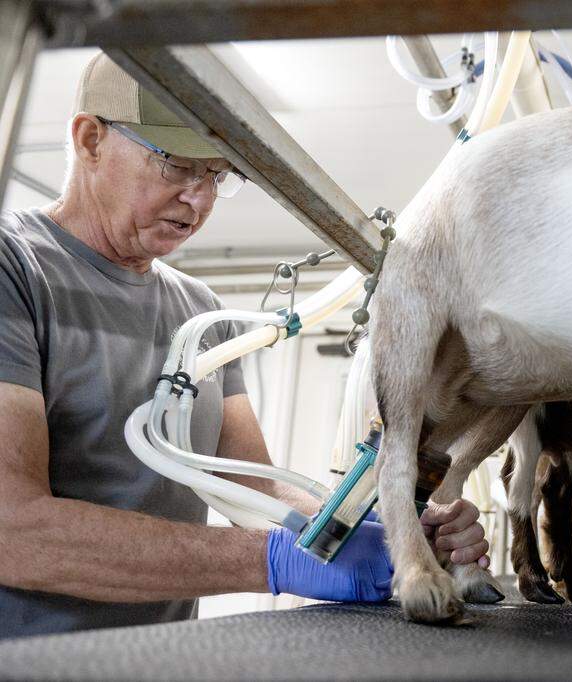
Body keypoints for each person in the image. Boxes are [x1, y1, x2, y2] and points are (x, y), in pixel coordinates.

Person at [0, 52, 489, 639]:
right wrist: (273, 561)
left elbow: (252, 487)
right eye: (178, 165)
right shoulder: (15, 270)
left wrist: (389, 531)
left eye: (215, 175)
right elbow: (11, 530)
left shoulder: (199, 312)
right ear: (90, 140)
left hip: (158, 653)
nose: (199, 200)